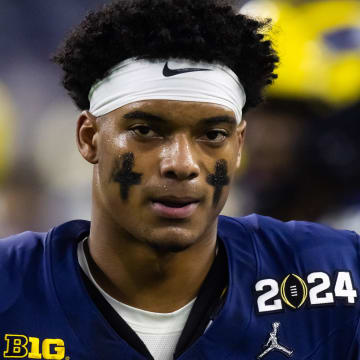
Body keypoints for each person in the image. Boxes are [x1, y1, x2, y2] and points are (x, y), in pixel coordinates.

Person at [0, 0, 359, 359]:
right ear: (89, 137)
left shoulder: (336, 277)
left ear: (238, 146)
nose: (182, 164)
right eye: (145, 130)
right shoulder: (10, 287)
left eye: (213, 135)